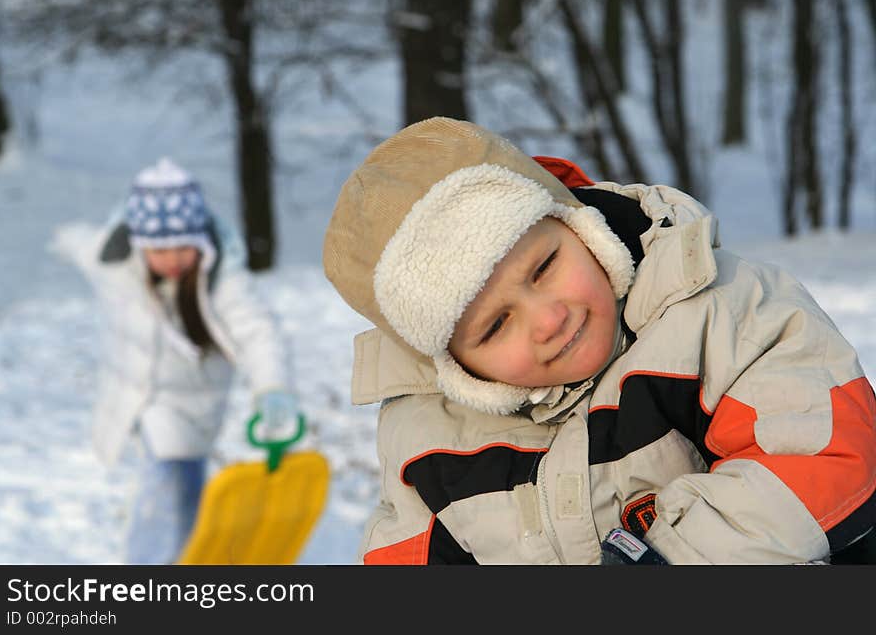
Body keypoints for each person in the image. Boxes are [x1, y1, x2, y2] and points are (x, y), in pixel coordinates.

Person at [322, 117, 876, 564]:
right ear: (454, 364)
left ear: (578, 226)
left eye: (543, 268)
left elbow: (823, 452)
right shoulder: (427, 442)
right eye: (495, 326)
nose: (548, 319)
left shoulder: (716, 310)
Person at [51, 157, 299, 564]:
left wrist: (273, 390)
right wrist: (63, 238)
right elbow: (85, 246)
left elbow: (259, 333)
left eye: (182, 246)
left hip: (196, 405)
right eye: (158, 248)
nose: (170, 259)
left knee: (182, 486)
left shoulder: (221, 277)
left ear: (199, 240)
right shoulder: (115, 261)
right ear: (139, 243)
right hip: (141, 401)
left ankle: (180, 555)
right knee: (165, 479)